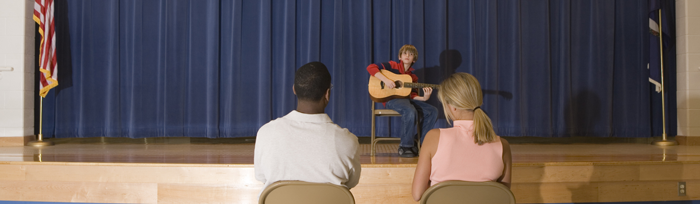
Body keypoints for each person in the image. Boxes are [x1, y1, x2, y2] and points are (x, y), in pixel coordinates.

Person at [254, 61, 361, 194]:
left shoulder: (266, 133)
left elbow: (261, 176)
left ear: (294, 89)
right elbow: (351, 182)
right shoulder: (348, 141)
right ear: (327, 94)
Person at [411, 73, 512, 201]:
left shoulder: (433, 137)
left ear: (452, 107)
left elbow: (417, 194)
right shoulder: (503, 145)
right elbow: (502, 196)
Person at [366, 44, 438, 157]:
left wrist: (424, 98)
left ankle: (420, 143)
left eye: (410, 54)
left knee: (432, 111)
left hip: (406, 100)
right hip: (391, 99)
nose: (407, 56)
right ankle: (405, 146)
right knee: (410, 110)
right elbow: (371, 67)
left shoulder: (413, 77)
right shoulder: (392, 65)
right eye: (405, 53)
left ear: (414, 59)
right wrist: (386, 80)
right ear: (400, 56)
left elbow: (412, 95)